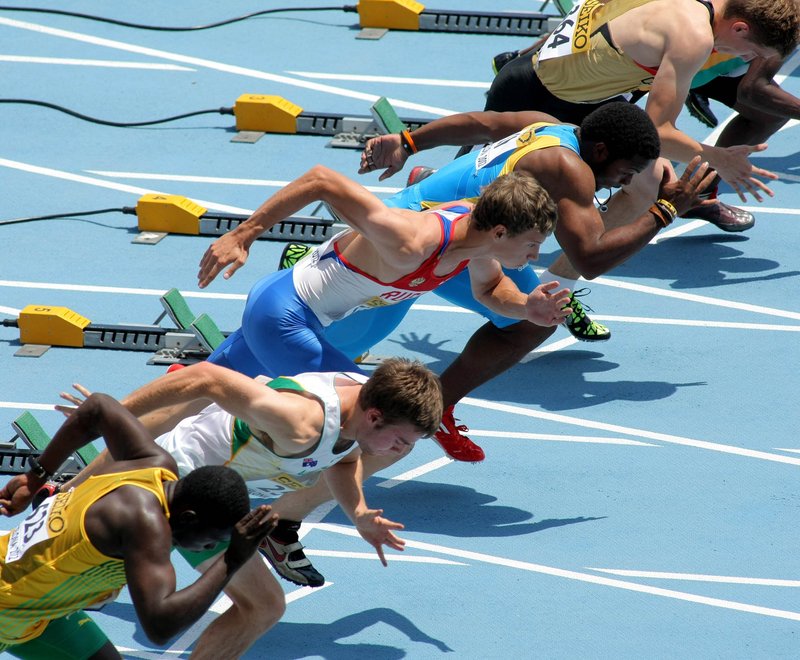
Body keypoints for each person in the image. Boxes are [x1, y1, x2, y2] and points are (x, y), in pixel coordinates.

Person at [292, 103, 714, 462]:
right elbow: (589, 257)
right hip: (412, 247)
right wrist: (664, 212)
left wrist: (409, 141)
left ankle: (434, 409)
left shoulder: (549, 127)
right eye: (626, 172)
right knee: (319, 351)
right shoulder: (569, 169)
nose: (625, 183)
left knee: (532, 320)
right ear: (601, 151)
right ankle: (278, 398)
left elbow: (481, 123)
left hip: (467, 244)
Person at [55, 357, 443, 656]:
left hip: (213, 507)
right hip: (162, 488)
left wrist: (358, 513)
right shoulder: (300, 421)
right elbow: (203, 377)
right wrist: (105, 414)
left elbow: (343, 459)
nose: (399, 451)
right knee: (65, 587)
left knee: (264, 606)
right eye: (401, 441)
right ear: (374, 417)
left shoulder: (362, 409)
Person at [197, 165, 572, 382]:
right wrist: (243, 235)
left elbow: (489, 289)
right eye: (531, 244)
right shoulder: (411, 241)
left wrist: (526, 307)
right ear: (500, 232)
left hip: (304, 316)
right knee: (369, 411)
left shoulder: (478, 242)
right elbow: (320, 180)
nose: (535, 256)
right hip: (283, 315)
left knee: (200, 389)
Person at [0, 393, 275, 659]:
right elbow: (160, 626)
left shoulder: (152, 464)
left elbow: (98, 406)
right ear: (188, 518)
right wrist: (231, 559)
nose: (210, 547)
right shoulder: (144, 526)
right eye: (212, 540)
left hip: (37, 614)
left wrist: (36, 476)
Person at [485, 0, 799, 229]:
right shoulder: (694, 37)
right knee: (490, 208)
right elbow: (659, 133)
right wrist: (719, 159)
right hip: (537, 101)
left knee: (650, 183)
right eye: (752, 52)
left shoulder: (693, 13)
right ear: (740, 27)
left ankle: (578, 260)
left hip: (551, 83)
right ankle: (580, 255)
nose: (746, 59)